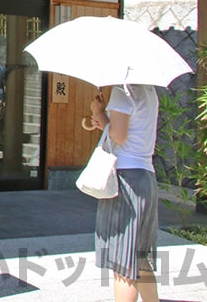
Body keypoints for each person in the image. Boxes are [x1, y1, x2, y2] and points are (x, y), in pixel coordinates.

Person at [90, 84, 160, 302]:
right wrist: (103, 119)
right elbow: (127, 132)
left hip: (126, 179)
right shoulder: (149, 91)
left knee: (123, 262)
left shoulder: (124, 91)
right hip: (146, 176)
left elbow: (118, 136)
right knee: (139, 257)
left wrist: (98, 112)